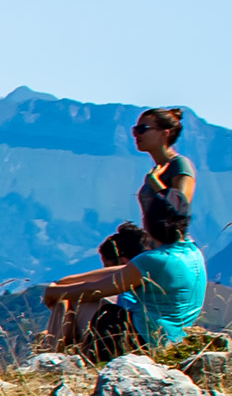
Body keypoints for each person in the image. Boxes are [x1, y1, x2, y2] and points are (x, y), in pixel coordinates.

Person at [41, 106, 206, 359]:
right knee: (86, 291)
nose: (136, 135)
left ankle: (54, 360)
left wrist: (154, 185)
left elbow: (177, 206)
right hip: (162, 251)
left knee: (84, 298)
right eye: (134, 129)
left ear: (166, 133)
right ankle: (60, 358)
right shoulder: (189, 254)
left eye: (143, 129)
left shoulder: (179, 166)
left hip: (162, 253)